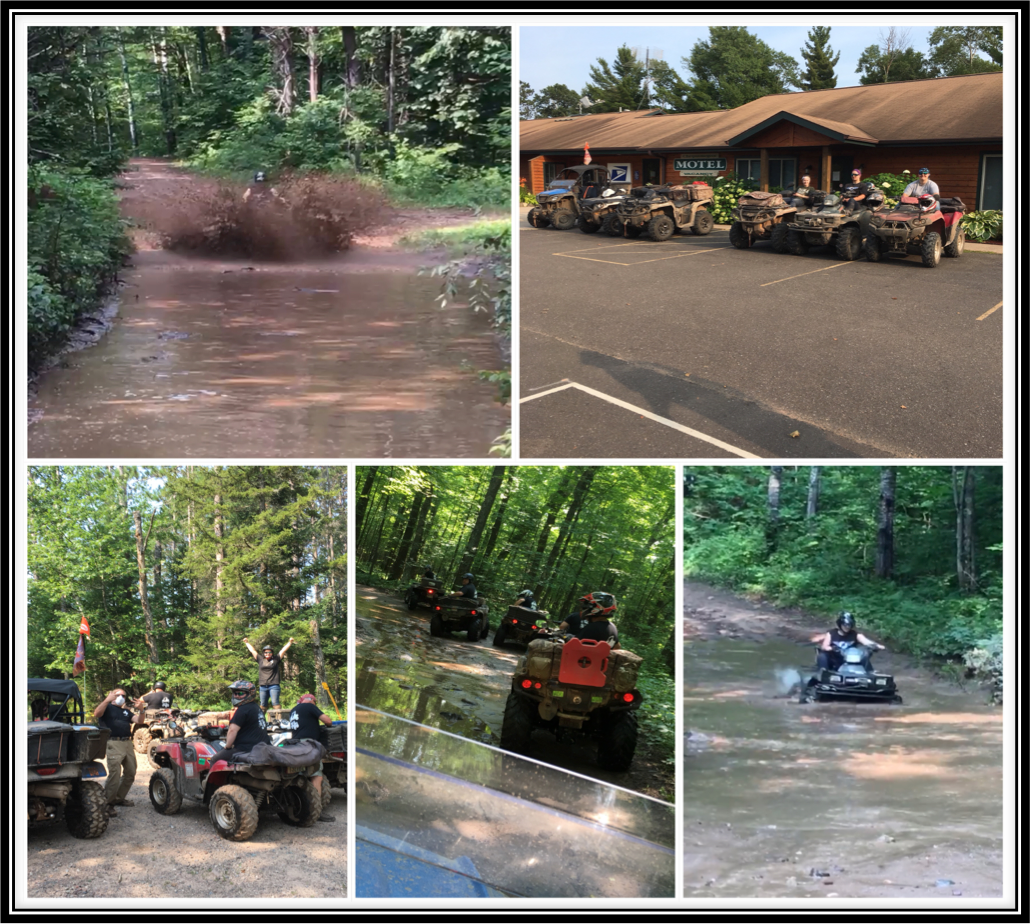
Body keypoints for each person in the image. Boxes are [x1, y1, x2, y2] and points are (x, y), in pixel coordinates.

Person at [94, 687, 144, 816]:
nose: (121, 697)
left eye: (123, 695)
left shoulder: (126, 711)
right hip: (113, 742)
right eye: (118, 695)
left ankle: (118, 799)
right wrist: (106, 701)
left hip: (127, 743)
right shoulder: (107, 707)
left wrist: (141, 710)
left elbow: (139, 721)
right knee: (115, 773)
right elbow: (97, 714)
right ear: (112, 696)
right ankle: (108, 803)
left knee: (131, 772)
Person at [288, 693, 336, 822]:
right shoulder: (309, 706)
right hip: (309, 745)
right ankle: (316, 810)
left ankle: (301, 804)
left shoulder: (294, 710)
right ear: (312, 701)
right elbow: (328, 721)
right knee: (316, 775)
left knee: (300, 774)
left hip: (296, 745)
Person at [215, 680, 272, 765]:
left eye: (241, 694)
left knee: (214, 759)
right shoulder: (256, 708)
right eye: (235, 693)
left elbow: (232, 730)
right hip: (262, 746)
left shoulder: (243, 709)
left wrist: (227, 746)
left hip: (246, 748)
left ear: (250, 694)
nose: (237, 696)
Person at [812, 612, 885, 670]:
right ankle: (823, 674)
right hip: (835, 659)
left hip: (851, 660)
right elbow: (824, 646)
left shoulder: (855, 634)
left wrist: (877, 646)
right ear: (840, 624)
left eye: (849, 625)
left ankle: (870, 675)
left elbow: (867, 642)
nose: (847, 627)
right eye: (845, 625)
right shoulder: (831, 633)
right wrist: (832, 648)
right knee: (822, 656)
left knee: (865, 656)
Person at [243, 637, 294, 713]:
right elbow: (252, 651)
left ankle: (278, 721)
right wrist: (247, 642)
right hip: (263, 686)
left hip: (274, 685)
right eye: (266, 652)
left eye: (269, 652)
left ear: (272, 653)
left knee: (275, 704)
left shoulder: (276, 659)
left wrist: (290, 642)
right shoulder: (260, 659)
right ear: (263, 653)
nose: (267, 654)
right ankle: (261, 722)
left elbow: (283, 650)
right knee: (263, 705)